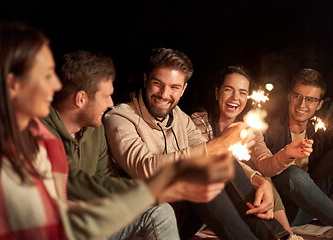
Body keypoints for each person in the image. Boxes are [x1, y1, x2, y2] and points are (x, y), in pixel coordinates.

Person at [0, 22, 235, 240]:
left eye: (175, 87)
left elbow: (85, 182)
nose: (55, 84)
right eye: (46, 74)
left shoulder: (46, 140)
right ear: (13, 84)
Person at [104, 48, 292, 240]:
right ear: (145, 81)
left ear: (183, 89)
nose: (164, 94)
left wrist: (258, 180)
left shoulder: (180, 119)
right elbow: (145, 168)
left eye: (174, 87)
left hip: (180, 216)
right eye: (157, 84)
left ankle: (277, 237)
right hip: (145, 221)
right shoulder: (120, 117)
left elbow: (216, 156)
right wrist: (215, 146)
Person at [41, 50, 181, 239]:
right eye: (106, 96)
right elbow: (66, 188)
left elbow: (105, 177)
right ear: (81, 99)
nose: (110, 103)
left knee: (158, 212)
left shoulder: (94, 129)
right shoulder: (40, 132)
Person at [190, 65, 303, 239]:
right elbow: (215, 162)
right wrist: (256, 178)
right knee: (258, 178)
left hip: (245, 203)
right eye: (229, 90)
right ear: (216, 92)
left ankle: (286, 234)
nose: (235, 98)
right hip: (211, 202)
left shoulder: (249, 127)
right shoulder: (198, 123)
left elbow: (265, 164)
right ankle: (283, 235)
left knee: (265, 179)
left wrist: (287, 153)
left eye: (243, 92)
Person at [259, 68, 333, 226]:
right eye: (297, 96)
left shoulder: (319, 130)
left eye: (310, 100)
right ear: (289, 96)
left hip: (313, 205)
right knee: (292, 173)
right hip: (284, 211)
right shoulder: (268, 128)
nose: (302, 104)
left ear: (319, 105)